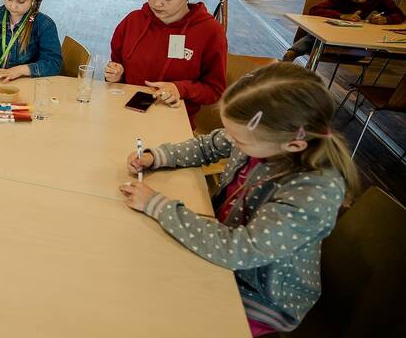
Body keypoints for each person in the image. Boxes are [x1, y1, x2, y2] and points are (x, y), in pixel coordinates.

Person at [120, 62, 360, 336]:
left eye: (239, 140)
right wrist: (156, 157)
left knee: (152, 309)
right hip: (223, 251)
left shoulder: (313, 191)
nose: (232, 142)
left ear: (293, 145)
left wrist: (158, 206)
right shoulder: (259, 136)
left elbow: (240, 250)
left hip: (260, 297)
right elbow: (208, 145)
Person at [104, 0, 227, 128]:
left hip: (173, 124)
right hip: (125, 115)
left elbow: (215, 90)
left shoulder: (210, 31)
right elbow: (117, 64)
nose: (157, 4)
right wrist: (116, 74)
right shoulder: (132, 21)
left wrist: (180, 89)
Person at [282, 0, 405, 62]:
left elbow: (399, 14)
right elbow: (315, 10)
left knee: (363, 50)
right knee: (315, 37)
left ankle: (297, 52)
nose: (360, 0)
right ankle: (292, 53)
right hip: (329, 32)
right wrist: (341, 16)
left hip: (355, 38)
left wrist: (386, 19)